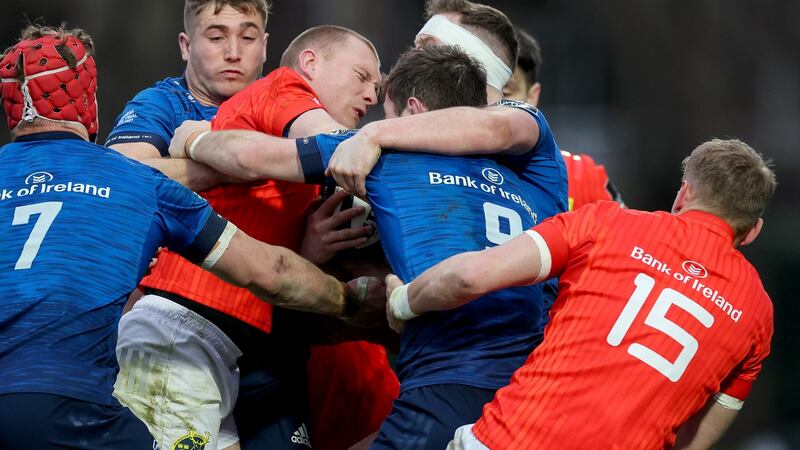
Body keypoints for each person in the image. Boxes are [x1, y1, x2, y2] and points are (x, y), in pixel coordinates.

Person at [0, 24, 375, 450]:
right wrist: (348, 300)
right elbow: (268, 271)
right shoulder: (136, 179)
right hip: (96, 398)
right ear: (91, 105)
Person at [172, 44, 557, 450]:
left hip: (448, 382)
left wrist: (194, 137)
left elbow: (248, 157)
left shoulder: (384, 161)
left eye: (387, 113)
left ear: (412, 112)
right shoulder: (541, 173)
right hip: (541, 388)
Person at [384, 138, 776, 449]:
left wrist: (402, 301)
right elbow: (699, 436)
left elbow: (468, 278)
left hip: (511, 439)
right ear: (754, 230)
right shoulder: (758, 312)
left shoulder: (606, 221)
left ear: (683, 194)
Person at [117, 23, 395, 450]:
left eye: (378, 87)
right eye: (362, 77)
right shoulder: (286, 87)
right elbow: (332, 142)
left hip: (251, 339)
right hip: (183, 323)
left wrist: (312, 251)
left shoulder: (305, 177)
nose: (372, 96)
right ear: (310, 64)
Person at [503, 26, 624, 211]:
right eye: (483, 88)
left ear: (532, 96)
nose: (493, 101)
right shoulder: (446, 169)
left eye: (506, 92)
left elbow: (629, 237)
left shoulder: (581, 177)